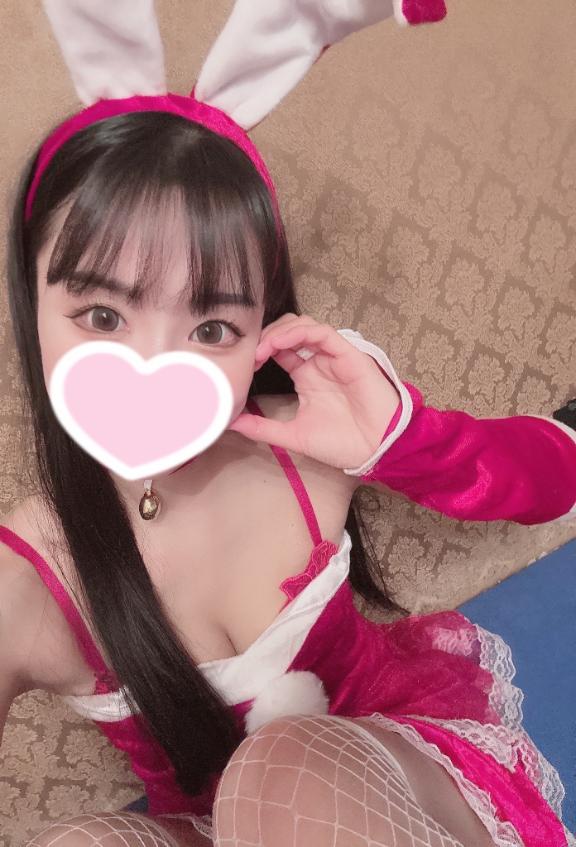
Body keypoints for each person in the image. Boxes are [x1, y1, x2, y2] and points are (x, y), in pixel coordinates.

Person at [2, 3, 576, 847]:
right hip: (206, 827)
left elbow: (556, 477)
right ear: (31, 296)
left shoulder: (302, 439)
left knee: (280, 769)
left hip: (388, 780)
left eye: (211, 328)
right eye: (102, 315)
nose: (156, 366)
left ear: (258, 328)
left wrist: (407, 439)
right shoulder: (30, 576)